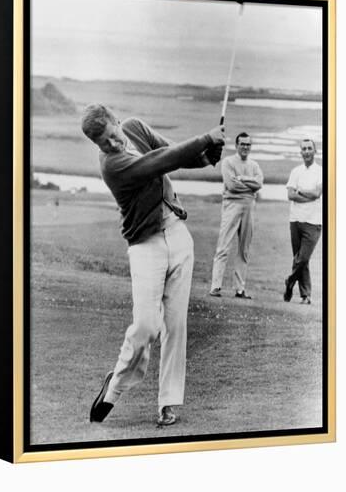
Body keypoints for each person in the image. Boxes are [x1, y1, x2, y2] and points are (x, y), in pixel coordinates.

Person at [81, 104, 225, 426]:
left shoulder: (135, 127)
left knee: (176, 326)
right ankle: (114, 388)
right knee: (146, 326)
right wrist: (205, 137)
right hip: (146, 246)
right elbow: (159, 162)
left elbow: (170, 150)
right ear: (98, 146)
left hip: (177, 235)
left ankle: (169, 403)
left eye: (114, 135)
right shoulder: (113, 166)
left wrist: (205, 157)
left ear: (118, 122)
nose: (114, 144)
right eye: (105, 143)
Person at [209, 132, 263, 299]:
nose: (245, 147)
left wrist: (243, 179)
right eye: (242, 144)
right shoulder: (228, 162)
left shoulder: (254, 165)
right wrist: (250, 186)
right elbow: (231, 185)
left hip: (249, 207)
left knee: (244, 249)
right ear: (237, 145)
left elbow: (259, 183)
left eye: (248, 144)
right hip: (232, 205)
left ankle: (240, 289)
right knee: (223, 246)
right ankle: (215, 286)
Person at [283, 139, 322, 304]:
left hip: (313, 221)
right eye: (304, 149)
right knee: (299, 258)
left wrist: (300, 192)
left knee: (303, 258)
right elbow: (290, 195)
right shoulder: (295, 171)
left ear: (315, 151)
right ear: (301, 152)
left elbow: (316, 194)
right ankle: (306, 295)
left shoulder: (321, 171)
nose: (306, 152)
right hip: (295, 220)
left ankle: (289, 280)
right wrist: (305, 195)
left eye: (309, 149)